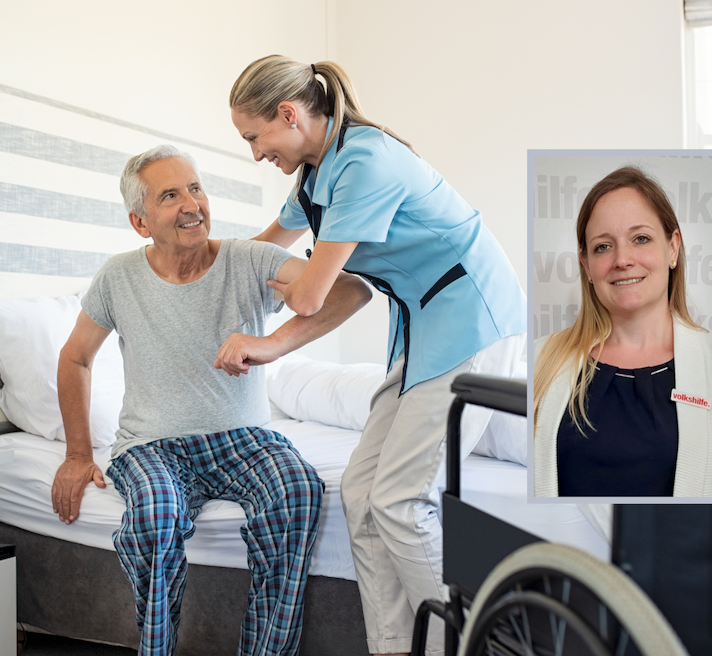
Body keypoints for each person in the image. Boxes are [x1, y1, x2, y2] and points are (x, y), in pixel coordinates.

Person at [230, 56, 527, 656]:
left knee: (399, 499)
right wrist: (197, 266)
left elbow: (315, 293)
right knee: (361, 492)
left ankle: (469, 645)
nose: (256, 153)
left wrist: (266, 336)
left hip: (474, 322)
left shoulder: (366, 162)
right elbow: (264, 250)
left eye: (254, 137)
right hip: (424, 332)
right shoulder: (315, 176)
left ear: (288, 115)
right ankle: (395, 647)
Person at [50, 144, 372, 656]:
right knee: (155, 516)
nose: (191, 204)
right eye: (171, 195)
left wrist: (270, 345)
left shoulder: (250, 259)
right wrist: (76, 454)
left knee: (297, 491)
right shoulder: (118, 276)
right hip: (153, 447)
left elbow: (350, 292)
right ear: (140, 221)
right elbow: (75, 359)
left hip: (244, 440)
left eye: (196, 188)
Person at [533, 166, 712, 498]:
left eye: (640, 239)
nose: (622, 259)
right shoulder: (539, 361)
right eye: (603, 247)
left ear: (672, 248)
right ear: (585, 265)